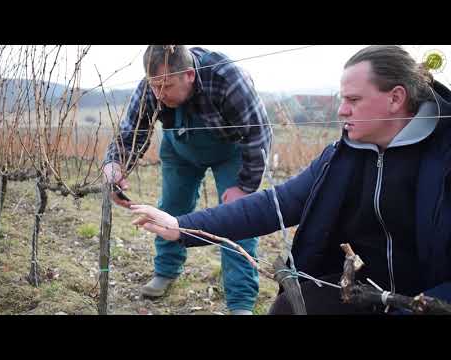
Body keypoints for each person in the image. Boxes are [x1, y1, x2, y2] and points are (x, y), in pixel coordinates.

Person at [128, 45, 451, 314]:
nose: (341, 111)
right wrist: (180, 226)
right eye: (341, 99)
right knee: (287, 309)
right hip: (364, 290)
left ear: (396, 98)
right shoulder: (342, 156)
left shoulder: (445, 157)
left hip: (429, 300)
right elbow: (274, 204)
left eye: (353, 101)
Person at [103, 45, 273, 315]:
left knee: (238, 218)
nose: (159, 94)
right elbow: (130, 134)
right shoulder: (153, 85)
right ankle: (165, 272)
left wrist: (245, 186)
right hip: (179, 149)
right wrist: (115, 165)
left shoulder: (227, 77)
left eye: (167, 86)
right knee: (171, 208)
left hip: (231, 152)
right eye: (155, 86)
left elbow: (258, 134)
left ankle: (240, 301)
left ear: (190, 75)